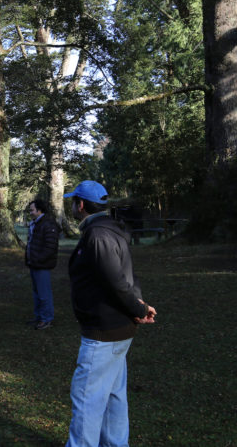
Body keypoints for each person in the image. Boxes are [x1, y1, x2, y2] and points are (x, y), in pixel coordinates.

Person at [63, 180, 157, 446]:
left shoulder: (98, 236)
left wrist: (138, 308)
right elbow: (127, 275)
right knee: (114, 395)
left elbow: (116, 281)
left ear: (81, 204)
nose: (72, 206)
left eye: (73, 202)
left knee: (87, 398)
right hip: (117, 328)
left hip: (104, 332)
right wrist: (137, 306)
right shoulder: (109, 230)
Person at [25, 199, 60, 330]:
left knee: (44, 293)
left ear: (39, 210)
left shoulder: (48, 224)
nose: (30, 212)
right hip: (34, 264)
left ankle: (46, 319)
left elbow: (50, 247)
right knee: (37, 293)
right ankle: (39, 316)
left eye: (32, 210)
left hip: (41, 265)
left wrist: (38, 260)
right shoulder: (36, 223)